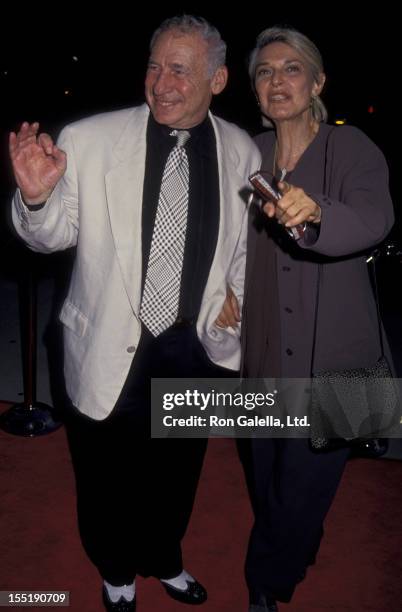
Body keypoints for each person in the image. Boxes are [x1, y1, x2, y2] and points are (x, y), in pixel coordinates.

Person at [9, 15, 260, 612]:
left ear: (218, 79)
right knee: (104, 474)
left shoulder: (242, 149)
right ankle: (116, 570)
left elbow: (248, 248)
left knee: (178, 469)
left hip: (195, 346)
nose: (161, 82)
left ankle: (164, 557)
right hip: (108, 340)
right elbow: (49, 237)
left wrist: (238, 299)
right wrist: (36, 198)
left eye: (181, 69)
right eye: (154, 65)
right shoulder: (91, 138)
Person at [217, 26, 394, 612]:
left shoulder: (353, 147)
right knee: (266, 467)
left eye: (291, 68)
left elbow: (374, 218)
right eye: (264, 72)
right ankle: (293, 544)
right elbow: (224, 236)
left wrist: (318, 213)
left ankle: (267, 583)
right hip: (265, 348)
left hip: (343, 355)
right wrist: (223, 288)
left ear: (317, 82)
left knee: (308, 484)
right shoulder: (250, 153)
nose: (277, 80)